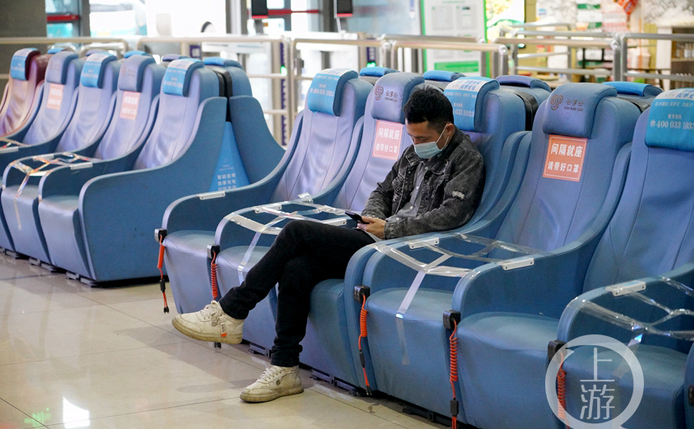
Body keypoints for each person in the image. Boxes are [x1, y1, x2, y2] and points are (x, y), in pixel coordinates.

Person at [172, 87, 486, 403]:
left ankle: (232, 310)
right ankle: (284, 367)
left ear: (447, 130)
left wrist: (390, 229)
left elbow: (451, 216)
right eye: (412, 137)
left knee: (296, 233)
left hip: (408, 251)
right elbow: (382, 192)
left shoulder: (467, 160)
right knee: (296, 269)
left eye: (422, 138)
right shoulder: (412, 153)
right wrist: (372, 219)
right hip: (377, 239)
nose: (415, 144)